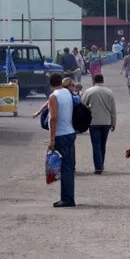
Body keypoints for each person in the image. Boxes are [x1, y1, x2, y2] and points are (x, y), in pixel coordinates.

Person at [47, 73, 76, 207]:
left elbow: (53, 118)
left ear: (51, 84)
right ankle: (68, 197)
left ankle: (67, 199)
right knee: (69, 168)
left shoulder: (54, 96)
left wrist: (52, 139)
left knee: (64, 168)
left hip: (61, 135)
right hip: (70, 132)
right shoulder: (67, 93)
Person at [82, 74, 116, 174]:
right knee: (103, 144)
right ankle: (101, 164)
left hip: (94, 122)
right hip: (106, 122)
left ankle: (98, 167)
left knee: (96, 144)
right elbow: (113, 109)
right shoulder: (109, 92)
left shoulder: (89, 91)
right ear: (103, 80)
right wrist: (113, 122)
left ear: (94, 80)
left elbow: (83, 105)